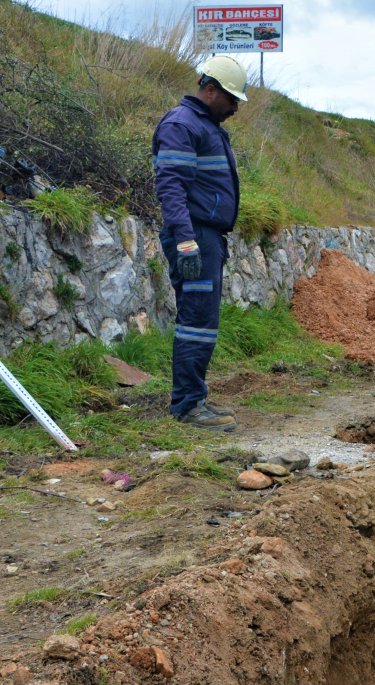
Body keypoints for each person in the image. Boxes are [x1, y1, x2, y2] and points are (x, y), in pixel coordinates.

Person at [151, 56, 249, 431]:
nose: (236, 107)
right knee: (196, 322)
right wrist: (186, 240)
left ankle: (193, 399)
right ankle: (189, 406)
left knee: (202, 320)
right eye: (231, 98)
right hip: (194, 235)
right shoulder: (182, 124)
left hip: (205, 235)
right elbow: (171, 184)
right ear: (210, 90)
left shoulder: (204, 125)